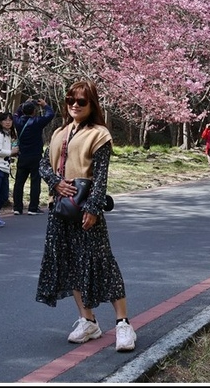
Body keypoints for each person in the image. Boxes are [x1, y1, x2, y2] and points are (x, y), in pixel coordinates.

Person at [36, 80, 136, 353]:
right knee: (69, 263)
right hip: (60, 208)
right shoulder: (59, 132)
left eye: (81, 101)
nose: (75, 106)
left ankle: (123, 324)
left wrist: (93, 209)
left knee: (101, 262)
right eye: (71, 100)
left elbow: (101, 177)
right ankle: (87, 320)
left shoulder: (99, 134)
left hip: (85, 207)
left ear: (92, 105)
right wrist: (56, 182)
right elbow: (43, 164)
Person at [12, 97, 55, 215]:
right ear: (34, 111)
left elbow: (16, 113)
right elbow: (50, 114)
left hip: (22, 155)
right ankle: (33, 207)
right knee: (35, 181)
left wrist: (24, 104)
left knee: (19, 182)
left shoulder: (18, 122)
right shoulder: (37, 121)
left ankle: (17, 207)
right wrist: (45, 105)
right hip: (35, 155)